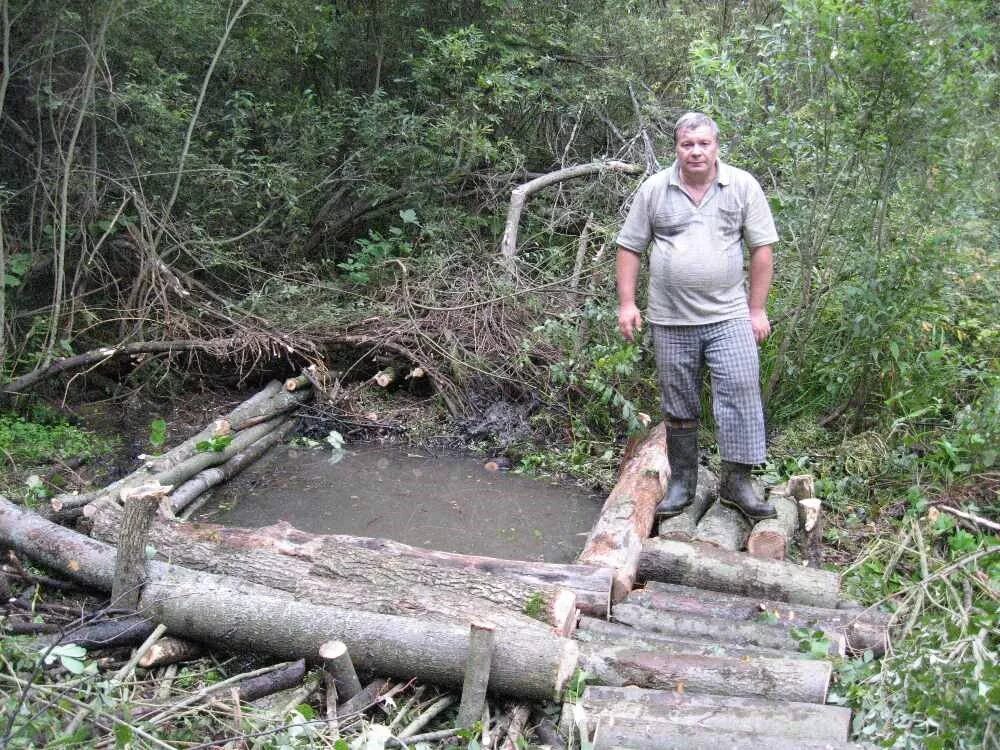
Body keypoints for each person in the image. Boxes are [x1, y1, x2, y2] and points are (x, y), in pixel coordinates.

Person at [615, 112, 777, 521]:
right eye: (688, 145)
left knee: (741, 392)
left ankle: (737, 485)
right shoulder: (654, 189)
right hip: (670, 319)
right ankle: (683, 482)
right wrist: (627, 303)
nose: (696, 151)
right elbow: (630, 247)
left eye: (703, 143)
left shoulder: (742, 186)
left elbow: (762, 250)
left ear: (716, 146)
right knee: (679, 403)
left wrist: (756, 309)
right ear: (677, 148)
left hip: (729, 316)